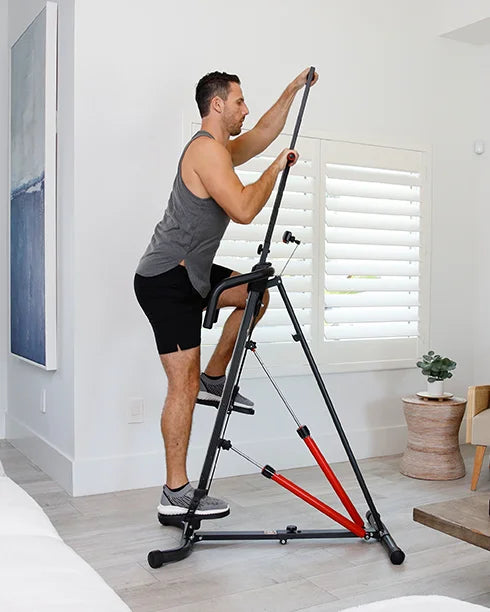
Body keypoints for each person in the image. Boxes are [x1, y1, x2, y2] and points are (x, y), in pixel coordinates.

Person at [134, 67, 318, 519]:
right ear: (217, 105)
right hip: (166, 279)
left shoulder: (220, 150)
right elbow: (242, 209)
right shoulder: (205, 153)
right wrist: (276, 169)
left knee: (257, 292)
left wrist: (292, 88)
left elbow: (261, 134)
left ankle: (216, 379)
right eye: (239, 101)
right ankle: (174, 493)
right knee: (182, 384)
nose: (245, 108)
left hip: (192, 272)